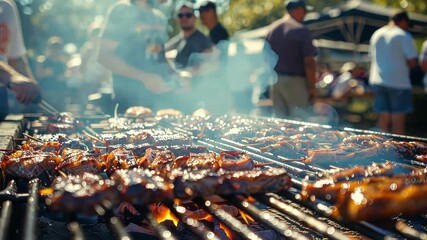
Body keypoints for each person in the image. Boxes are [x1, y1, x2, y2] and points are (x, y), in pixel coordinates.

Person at [98, 0, 173, 113]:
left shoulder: (159, 18)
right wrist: (145, 78)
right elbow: (105, 56)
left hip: (157, 104)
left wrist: (176, 75)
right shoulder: (122, 10)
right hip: (127, 104)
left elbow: (160, 58)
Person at [266, 0, 317, 118]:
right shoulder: (300, 30)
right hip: (295, 83)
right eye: (304, 11)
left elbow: (265, 59)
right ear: (298, 10)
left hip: (275, 82)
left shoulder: (271, 29)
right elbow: (309, 62)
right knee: (300, 122)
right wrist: (312, 87)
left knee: (280, 123)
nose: (304, 15)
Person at [369, 10, 418, 134]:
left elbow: (371, 57)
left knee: (383, 119)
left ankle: (379, 150)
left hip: (378, 80)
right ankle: (398, 151)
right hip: (398, 82)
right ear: (403, 21)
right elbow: (412, 62)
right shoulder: (403, 35)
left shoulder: (377, 33)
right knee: (398, 120)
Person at [0, 0, 41, 117]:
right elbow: (13, 75)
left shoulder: (6, 6)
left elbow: (15, 57)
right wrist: (10, 76)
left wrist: (32, 89)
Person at [165, 2, 213, 71]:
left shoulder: (204, 41)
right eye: (180, 15)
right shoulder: (175, 41)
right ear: (177, 19)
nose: (184, 18)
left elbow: (209, 67)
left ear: (195, 18)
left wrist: (183, 73)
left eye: (188, 15)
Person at [35, 36, 69, 111]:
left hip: (60, 93)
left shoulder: (62, 63)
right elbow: (39, 75)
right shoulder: (43, 61)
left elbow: (66, 75)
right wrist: (49, 72)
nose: (57, 50)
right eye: (54, 48)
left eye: (58, 48)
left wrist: (64, 76)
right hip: (47, 93)